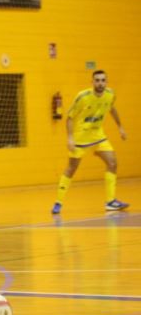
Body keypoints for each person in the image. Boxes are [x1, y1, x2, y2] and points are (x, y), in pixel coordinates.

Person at [51, 70, 128, 214]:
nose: (100, 83)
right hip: (81, 138)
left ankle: (110, 201)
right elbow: (69, 117)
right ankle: (58, 202)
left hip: (98, 136)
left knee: (112, 162)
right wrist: (70, 138)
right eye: (97, 80)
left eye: (103, 80)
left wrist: (120, 127)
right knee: (71, 169)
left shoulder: (110, 94)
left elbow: (111, 108)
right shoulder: (83, 97)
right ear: (92, 82)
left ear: (106, 82)